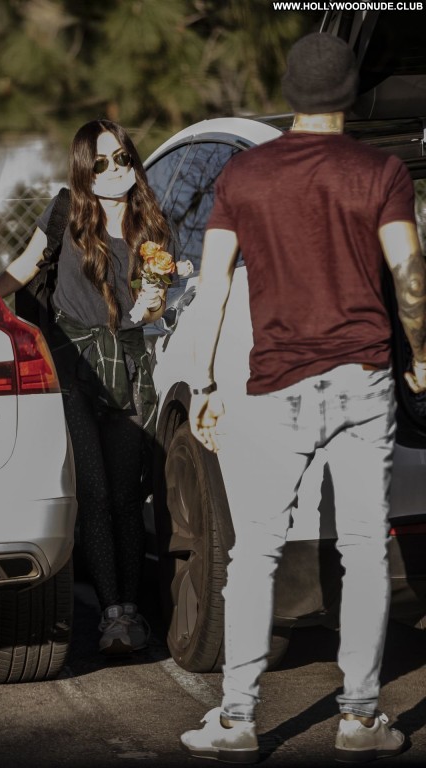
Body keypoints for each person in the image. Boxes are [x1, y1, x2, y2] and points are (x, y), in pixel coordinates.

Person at [180, 33, 426, 764]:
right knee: (364, 548)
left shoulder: (244, 175)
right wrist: (421, 355)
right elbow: (409, 271)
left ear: (289, 93)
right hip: (361, 379)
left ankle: (236, 719)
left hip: (275, 385)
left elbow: (213, 288)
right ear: (350, 93)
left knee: (254, 550)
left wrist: (203, 382)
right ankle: (360, 719)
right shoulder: (380, 171)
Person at [0, 119, 177, 656]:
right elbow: (24, 267)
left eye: (122, 157)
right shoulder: (64, 211)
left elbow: (154, 300)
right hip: (73, 367)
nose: (114, 170)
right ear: (83, 169)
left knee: (125, 495)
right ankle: (112, 614)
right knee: (93, 493)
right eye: (100, 163)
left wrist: (153, 302)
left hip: (129, 366)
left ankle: (130, 608)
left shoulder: (152, 223)